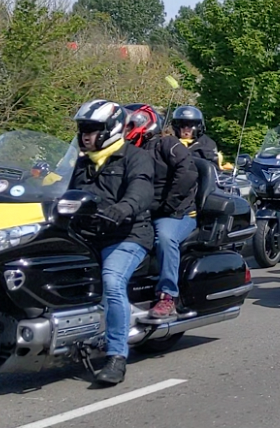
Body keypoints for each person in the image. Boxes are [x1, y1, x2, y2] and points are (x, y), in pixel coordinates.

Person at [70, 100, 154, 385]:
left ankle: (116, 355)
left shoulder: (135, 157)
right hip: (86, 235)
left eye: (92, 129)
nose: (85, 135)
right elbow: (57, 188)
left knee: (112, 281)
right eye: (83, 129)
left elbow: (142, 189)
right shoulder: (80, 162)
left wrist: (124, 208)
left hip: (127, 234)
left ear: (111, 129)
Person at [124, 104, 199, 319]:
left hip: (176, 213)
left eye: (130, 123)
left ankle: (167, 296)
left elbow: (188, 172)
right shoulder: (126, 151)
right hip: (143, 212)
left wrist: (169, 204)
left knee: (165, 238)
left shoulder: (167, 143)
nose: (126, 128)